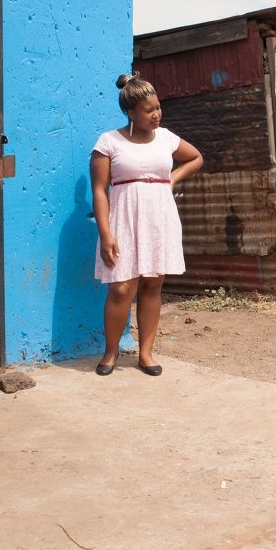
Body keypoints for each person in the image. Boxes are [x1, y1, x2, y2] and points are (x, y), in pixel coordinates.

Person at [90, 72, 203, 376]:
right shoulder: (108, 142)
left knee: (153, 284)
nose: (156, 114)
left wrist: (172, 179)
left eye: (158, 108)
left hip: (159, 218)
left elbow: (195, 158)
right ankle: (111, 353)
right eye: (148, 110)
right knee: (121, 289)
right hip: (123, 219)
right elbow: (100, 191)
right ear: (130, 113)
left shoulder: (166, 138)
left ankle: (146, 354)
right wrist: (105, 233)